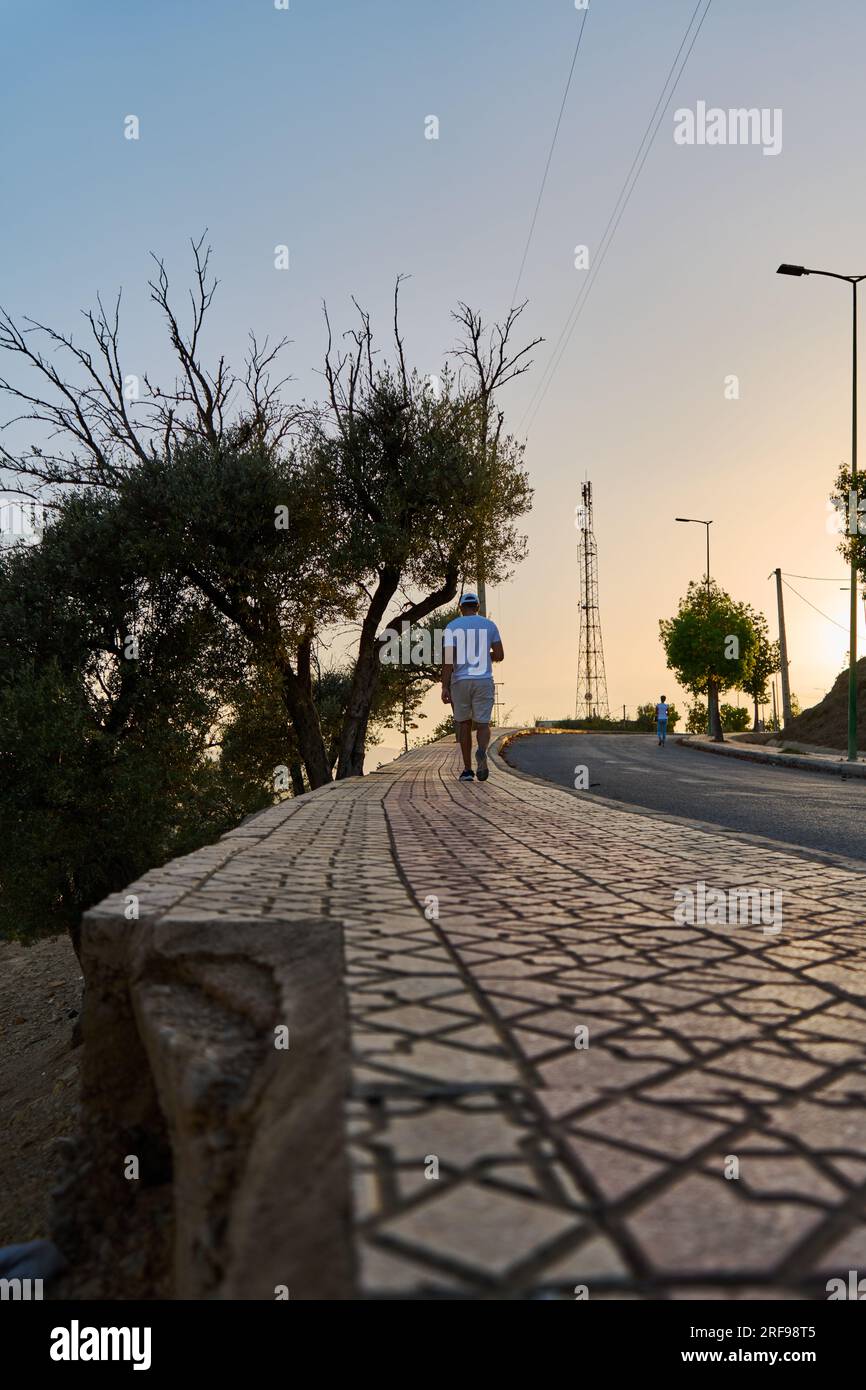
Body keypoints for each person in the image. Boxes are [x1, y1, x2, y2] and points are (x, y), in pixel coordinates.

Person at [441, 592, 504, 782]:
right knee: (483, 723)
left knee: (464, 724)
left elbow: (448, 660)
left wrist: (444, 686)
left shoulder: (452, 627)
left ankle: (467, 770)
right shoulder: (489, 625)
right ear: (477, 607)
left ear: (461, 608)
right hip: (483, 680)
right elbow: (500, 654)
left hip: (460, 681)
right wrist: (485, 657)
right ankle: (482, 751)